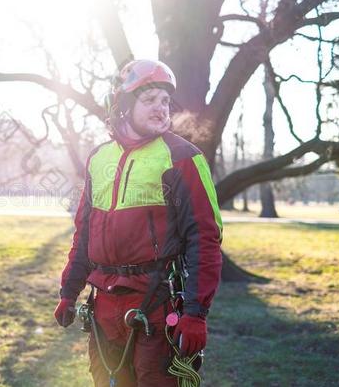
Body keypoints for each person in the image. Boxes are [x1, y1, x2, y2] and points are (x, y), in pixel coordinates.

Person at [54, 60, 223, 387]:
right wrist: (68, 291)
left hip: (155, 306)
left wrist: (194, 314)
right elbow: (84, 233)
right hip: (103, 307)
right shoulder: (98, 158)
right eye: (150, 101)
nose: (161, 109)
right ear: (123, 106)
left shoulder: (183, 158)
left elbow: (204, 239)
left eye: (164, 101)